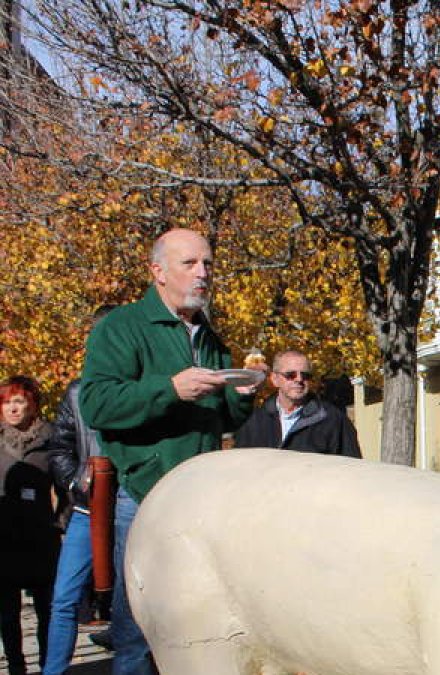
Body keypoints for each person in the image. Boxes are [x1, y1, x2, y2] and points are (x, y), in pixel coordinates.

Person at [80, 228, 261, 675]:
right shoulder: (121, 327)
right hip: (144, 496)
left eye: (208, 264)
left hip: (201, 501)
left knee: (202, 623)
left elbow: (225, 419)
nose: (203, 274)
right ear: (157, 271)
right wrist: (169, 389)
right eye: (190, 264)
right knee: (138, 632)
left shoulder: (210, 337)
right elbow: (97, 404)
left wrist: (242, 393)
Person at [43, 306, 116, 675]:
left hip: (132, 507)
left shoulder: (146, 387)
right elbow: (59, 447)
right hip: (87, 512)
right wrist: (75, 482)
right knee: (65, 598)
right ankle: (54, 670)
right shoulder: (77, 392)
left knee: (135, 602)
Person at [0, 376, 59, 675]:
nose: (13, 408)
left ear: (33, 404)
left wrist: (59, 524)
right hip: (3, 540)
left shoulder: (51, 439)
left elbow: (66, 490)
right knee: (7, 615)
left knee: (48, 612)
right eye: (7, 401)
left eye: (19, 401)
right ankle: (15, 668)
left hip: (41, 540)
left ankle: (49, 666)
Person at [234, 350, 361, 457]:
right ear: (274, 379)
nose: (299, 379)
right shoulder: (254, 421)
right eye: (290, 375)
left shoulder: (334, 420)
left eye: (305, 375)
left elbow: (351, 470)